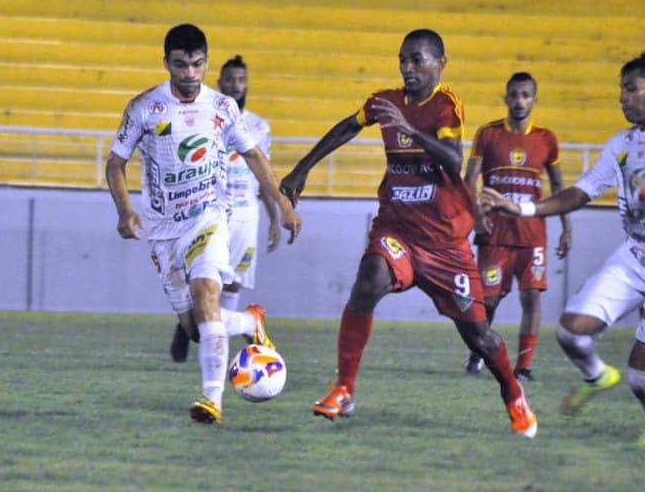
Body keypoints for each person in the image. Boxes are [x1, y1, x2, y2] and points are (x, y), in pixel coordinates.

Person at [480, 50, 645, 446]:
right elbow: (578, 193)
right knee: (570, 332)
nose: (621, 98)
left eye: (630, 89)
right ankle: (597, 376)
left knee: (642, 375)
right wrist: (517, 207)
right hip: (633, 259)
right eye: (620, 90)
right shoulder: (620, 143)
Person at [280, 29, 538, 438]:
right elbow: (348, 126)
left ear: (440, 64)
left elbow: (454, 158)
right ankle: (344, 388)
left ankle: (512, 392)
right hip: (397, 228)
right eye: (403, 60)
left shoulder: (445, 105)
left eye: (418, 60)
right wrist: (303, 167)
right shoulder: (386, 101)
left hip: (445, 242)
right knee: (369, 280)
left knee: (479, 338)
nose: (408, 68)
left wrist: (411, 131)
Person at [105, 23, 301, 425]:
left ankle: (212, 401)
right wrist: (125, 210)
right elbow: (116, 164)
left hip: (208, 217)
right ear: (166, 63)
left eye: (197, 64)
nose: (190, 73)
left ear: (206, 62)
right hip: (162, 229)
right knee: (196, 328)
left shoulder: (223, 108)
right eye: (180, 65)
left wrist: (282, 205)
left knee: (206, 295)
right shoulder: (144, 107)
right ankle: (249, 321)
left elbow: (254, 157)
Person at [169, 54, 280, 361]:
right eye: (230, 79)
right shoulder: (204, 116)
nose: (235, 85)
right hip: (211, 209)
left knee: (233, 284)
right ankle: (191, 326)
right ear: (219, 82)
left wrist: (274, 218)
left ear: (247, 84)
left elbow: (263, 171)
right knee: (202, 276)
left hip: (246, 211)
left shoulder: (259, 126)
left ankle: (218, 350)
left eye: (241, 80)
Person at [463, 72, 572, 381]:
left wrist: (567, 227)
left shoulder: (546, 139)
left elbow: (560, 187)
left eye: (526, 95)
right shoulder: (488, 134)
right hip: (494, 233)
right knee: (489, 299)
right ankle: (478, 349)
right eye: (514, 95)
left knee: (532, 296)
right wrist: (476, 218)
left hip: (532, 235)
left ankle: (523, 366)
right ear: (506, 98)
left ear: (534, 100)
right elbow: (469, 179)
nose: (520, 101)